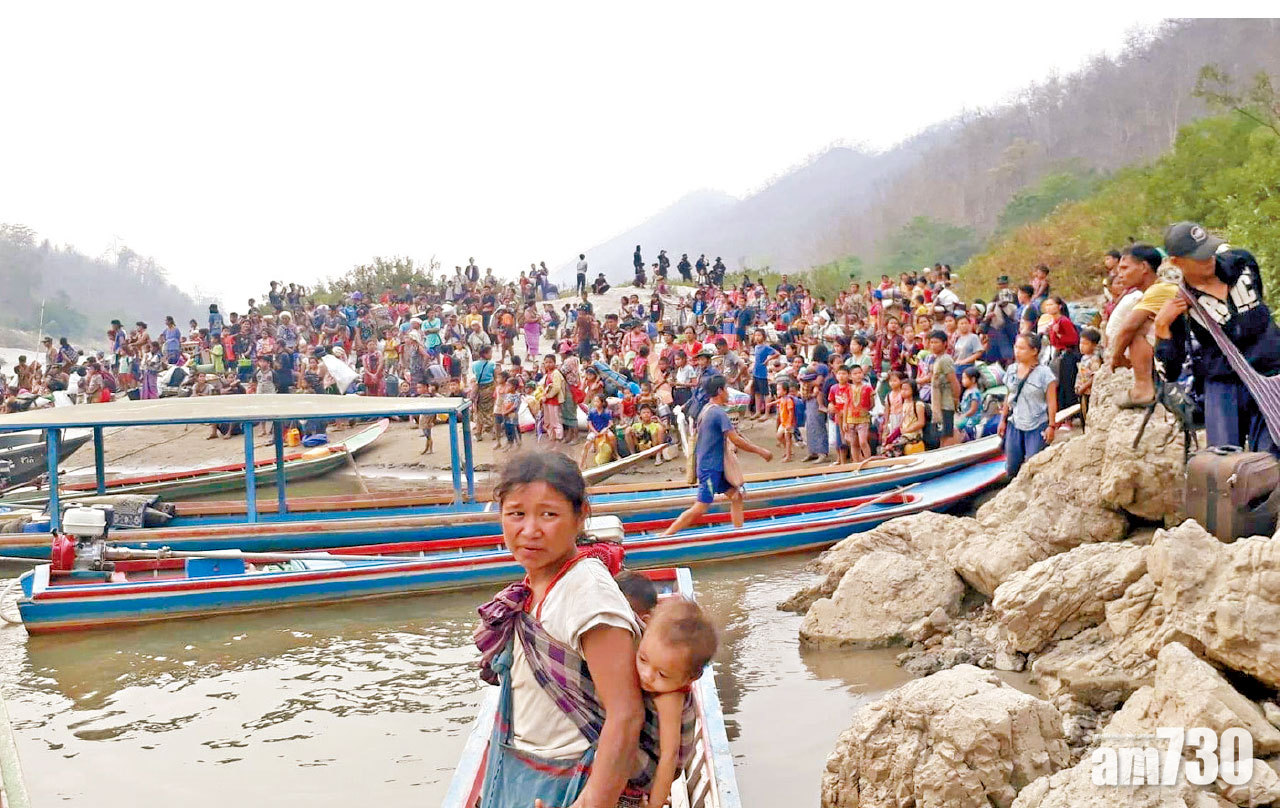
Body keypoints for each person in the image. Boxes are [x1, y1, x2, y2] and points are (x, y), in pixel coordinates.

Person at [472, 452, 645, 808]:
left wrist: (590, 803)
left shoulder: (588, 594)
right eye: (516, 514)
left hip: (571, 783)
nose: (530, 530)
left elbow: (626, 714)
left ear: (580, 515)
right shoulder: (537, 584)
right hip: (524, 771)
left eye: (549, 514)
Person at [1155, 222, 1280, 455]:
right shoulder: (1180, 303)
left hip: (1271, 372)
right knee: (1224, 462)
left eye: (1209, 250)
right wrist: (1162, 327)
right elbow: (1170, 372)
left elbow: (1260, 313)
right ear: (1176, 261)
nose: (1208, 259)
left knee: (1270, 459)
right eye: (1198, 257)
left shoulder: (1243, 264)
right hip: (1225, 384)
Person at [662, 376, 772, 536]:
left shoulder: (706, 410)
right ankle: (666, 536)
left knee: (736, 495)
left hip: (715, 466)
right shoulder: (718, 413)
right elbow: (736, 440)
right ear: (720, 391)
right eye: (726, 389)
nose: (728, 393)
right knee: (700, 507)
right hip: (710, 468)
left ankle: (739, 534)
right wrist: (761, 451)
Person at [635, 597, 717, 808]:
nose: (647, 676)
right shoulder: (662, 671)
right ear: (644, 624)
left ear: (691, 677)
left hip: (656, 769)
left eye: (662, 674)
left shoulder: (670, 697)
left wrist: (655, 803)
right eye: (643, 659)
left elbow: (669, 756)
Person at [1108, 243, 1173, 408]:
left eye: (1124, 268)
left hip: (1187, 347)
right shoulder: (1154, 290)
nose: (1119, 274)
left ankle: (1143, 390)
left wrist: (1116, 358)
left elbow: (1127, 328)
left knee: (1138, 330)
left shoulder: (1159, 289)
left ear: (1144, 267)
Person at [999, 333, 1058, 477]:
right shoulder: (1012, 370)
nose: (1017, 351)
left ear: (1034, 351)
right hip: (1015, 422)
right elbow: (1009, 395)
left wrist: (1051, 426)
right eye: (1016, 347)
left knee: (1034, 464)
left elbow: (1051, 401)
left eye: (1022, 348)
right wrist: (1003, 420)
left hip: (1037, 424)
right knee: (1012, 466)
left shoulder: (1045, 373)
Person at [928, 330, 960, 447]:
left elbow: (954, 381)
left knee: (947, 434)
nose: (933, 345)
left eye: (936, 342)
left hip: (946, 403)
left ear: (945, 343)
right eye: (931, 342)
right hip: (938, 403)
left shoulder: (945, 360)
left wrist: (955, 399)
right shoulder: (937, 359)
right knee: (941, 434)